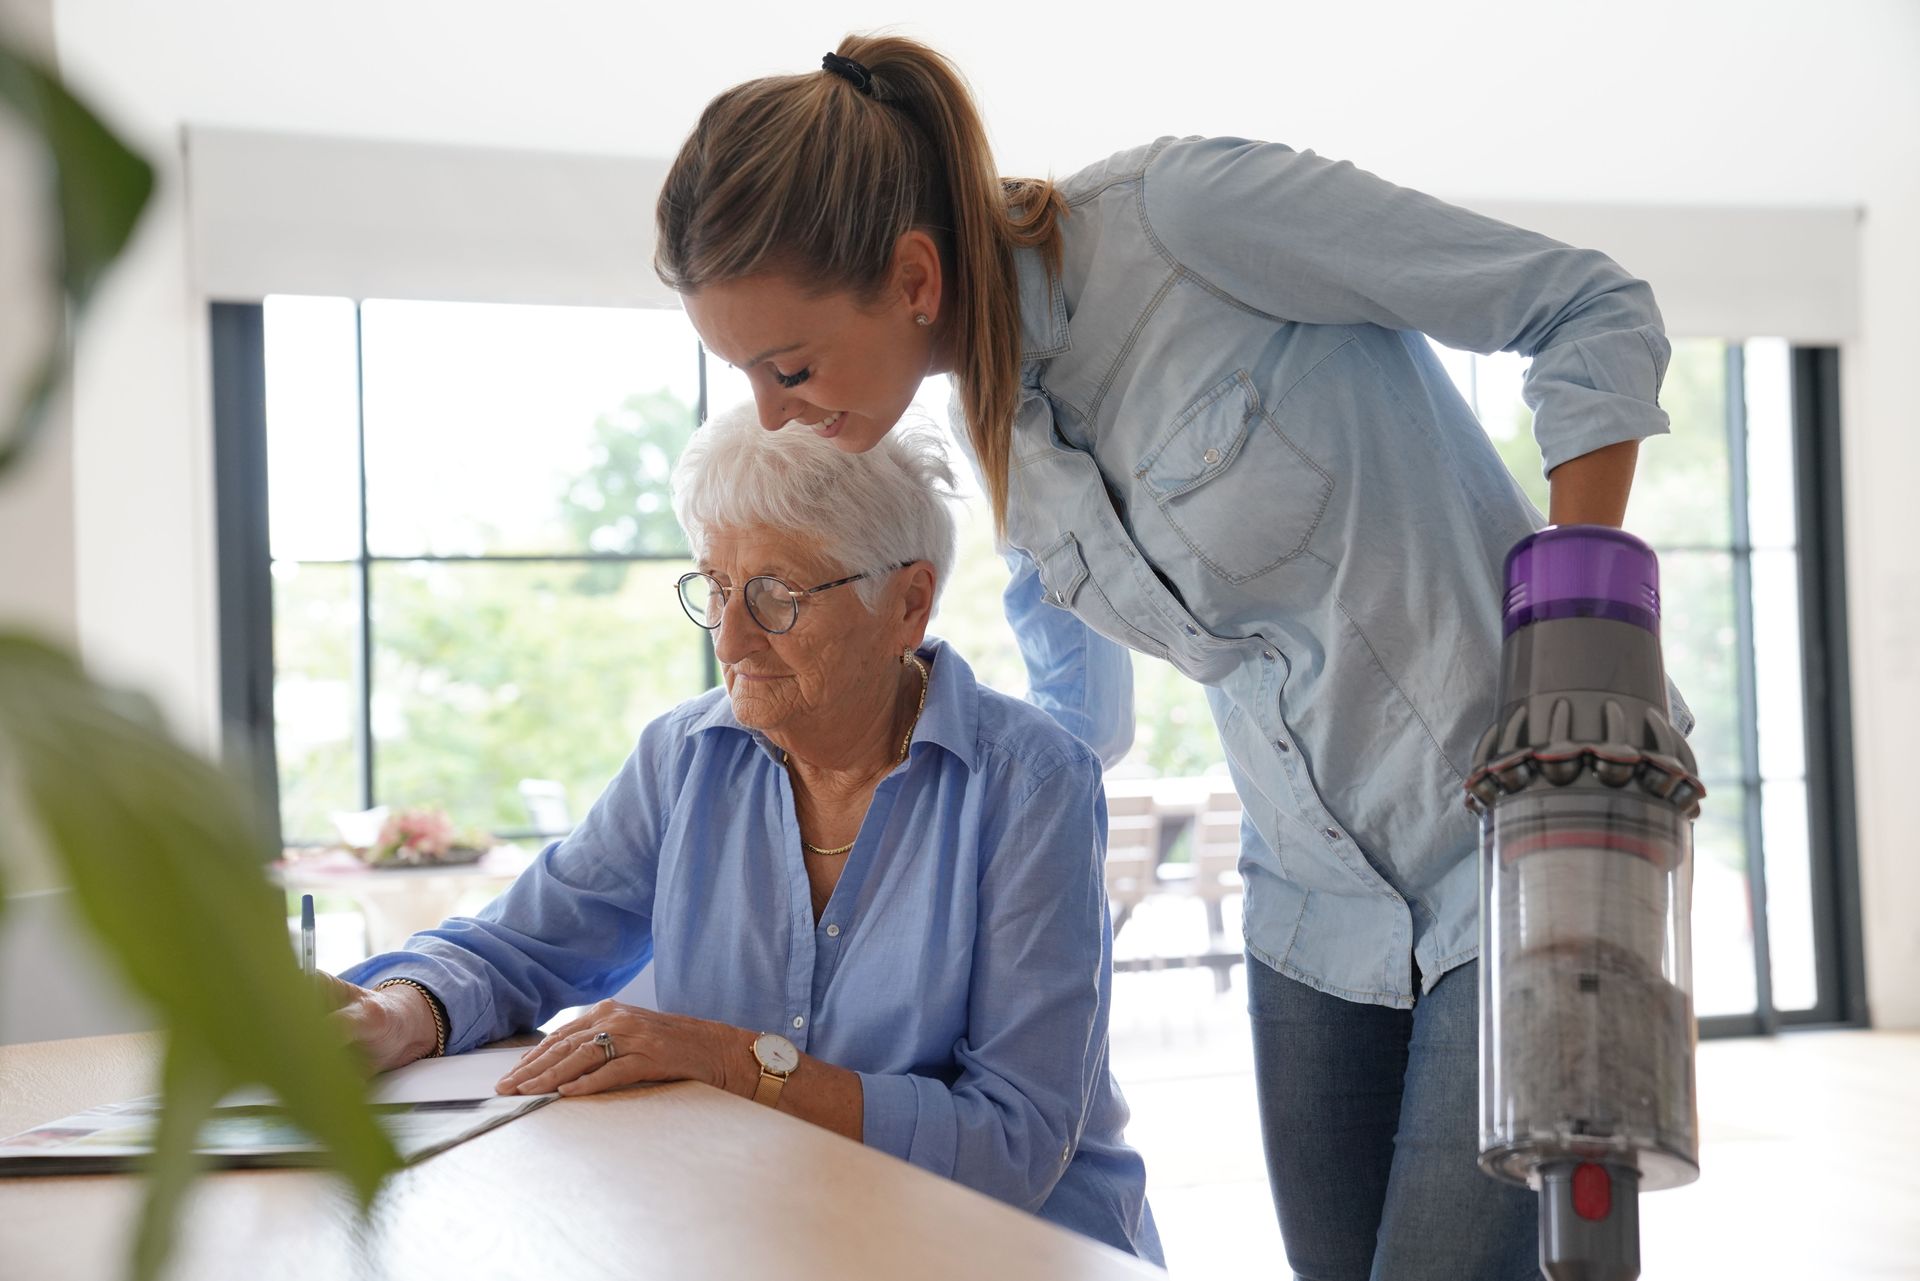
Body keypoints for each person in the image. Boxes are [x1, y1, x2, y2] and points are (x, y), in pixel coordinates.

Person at [653, 34, 1694, 1281]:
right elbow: (1080, 722)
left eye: (788, 365)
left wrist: (1575, 635)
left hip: (1523, 848)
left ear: (914, 274)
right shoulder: (1007, 439)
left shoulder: (1184, 221)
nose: (773, 410)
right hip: (1314, 914)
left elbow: (1588, 308)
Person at [327, 404, 1162, 1263]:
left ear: (908, 604)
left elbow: (1013, 1142)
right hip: (769, 1224)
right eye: (716, 588)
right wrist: (399, 1012)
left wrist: (736, 1064)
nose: (729, 638)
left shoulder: (1032, 783)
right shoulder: (685, 756)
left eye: (775, 595)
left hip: (1011, 1250)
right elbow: (517, 947)